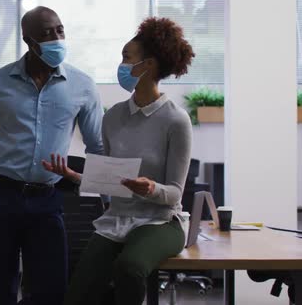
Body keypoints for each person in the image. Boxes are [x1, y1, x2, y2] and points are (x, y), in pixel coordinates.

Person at [0, 6, 104, 305]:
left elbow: (98, 147)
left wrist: (107, 197)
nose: (57, 38)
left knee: (51, 289)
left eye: (60, 30)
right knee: (2, 287)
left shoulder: (83, 86)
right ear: (29, 41)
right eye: (46, 33)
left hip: (47, 198)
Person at [42, 17, 195, 305]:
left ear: (148, 65)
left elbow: (175, 192)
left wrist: (150, 188)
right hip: (117, 220)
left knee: (130, 268)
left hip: (162, 222)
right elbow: (113, 181)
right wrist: (74, 175)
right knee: (78, 291)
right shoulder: (112, 117)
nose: (121, 65)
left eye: (126, 58)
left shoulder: (176, 120)